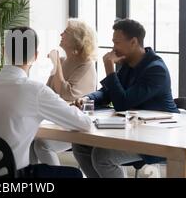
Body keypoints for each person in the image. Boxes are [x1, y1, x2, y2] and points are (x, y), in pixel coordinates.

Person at [0, 27, 92, 178]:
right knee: (75, 175)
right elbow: (85, 124)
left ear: (3, 51)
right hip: (13, 177)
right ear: (35, 56)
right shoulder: (35, 91)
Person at [72, 18, 179, 178]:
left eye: (117, 42)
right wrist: (87, 98)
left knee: (102, 155)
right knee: (81, 144)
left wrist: (109, 68)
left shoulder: (156, 70)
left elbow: (122, 103)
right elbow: (107, 93)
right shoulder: (128, 65)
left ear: (134, 42)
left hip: (157, 137)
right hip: (131, 131)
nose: (113, 48)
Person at [31, 20, 97, 166]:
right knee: (29, 140)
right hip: (56, 121)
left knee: (42, 144)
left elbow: (66, 94)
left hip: (76, 126)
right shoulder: (62, 61)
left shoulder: (86, 65)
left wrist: (57, 65)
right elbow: (48, 91)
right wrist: (58, 64)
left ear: (77, 39)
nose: (61, 34)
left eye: (65, 32)